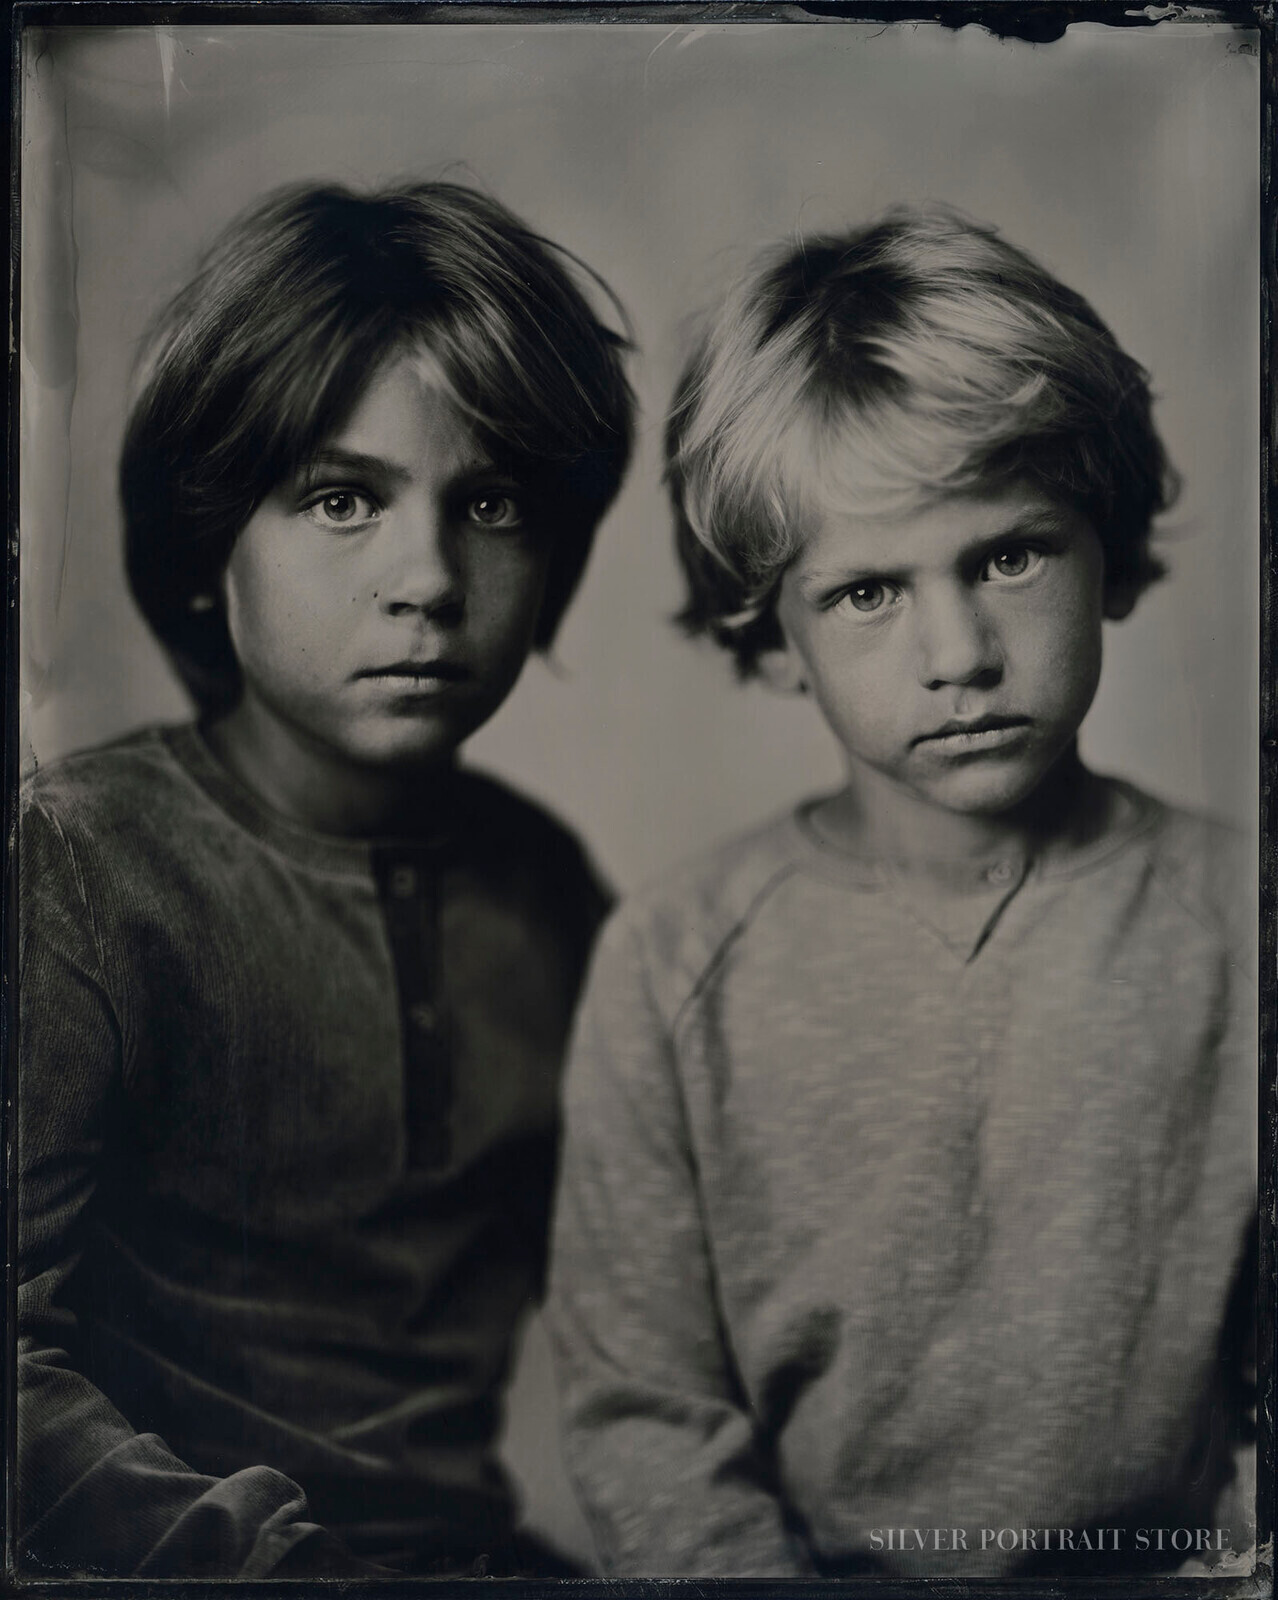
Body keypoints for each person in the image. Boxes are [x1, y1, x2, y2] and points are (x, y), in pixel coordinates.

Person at [547, 207, 1256, 1579]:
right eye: (867, 590)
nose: (957, 651)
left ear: (1102, 546)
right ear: (776, 632)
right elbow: (645, 1418)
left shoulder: (1238, 924)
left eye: (1007, 555)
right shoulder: (671, 960)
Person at [18, 180, 633, 1578]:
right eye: (341, 498)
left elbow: (660, 1307)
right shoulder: (79, 864)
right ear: (204, 546)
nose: (427, 576)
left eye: (488, 503)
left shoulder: (543, 891)